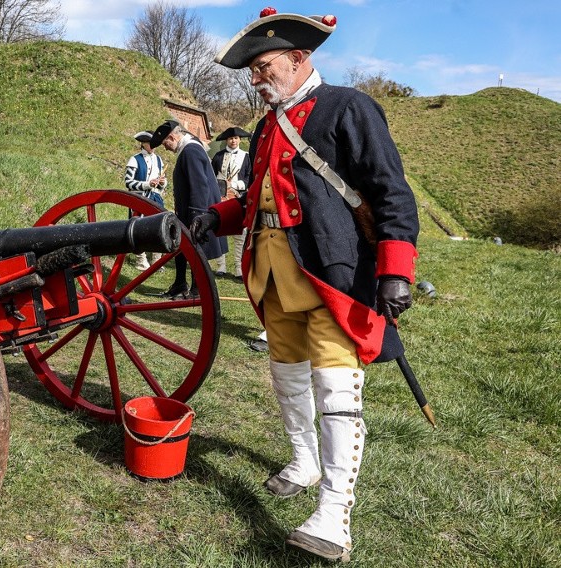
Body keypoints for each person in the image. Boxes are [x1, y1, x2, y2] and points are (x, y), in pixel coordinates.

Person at [190, 8, 419, 563]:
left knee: (335, 392)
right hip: (272, 275)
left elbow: (391, 191)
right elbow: (255, 200)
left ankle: (335, 512)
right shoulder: (268, 125)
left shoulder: (349, 107)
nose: (254, 78)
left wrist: (395, 268)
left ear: (298, 58)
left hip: (332, 276)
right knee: (288, 377)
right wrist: (214, 217)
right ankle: (303, 459)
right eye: (251, 70)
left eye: (262, 66)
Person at [151, 120, 227, 299]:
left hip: (196, 210)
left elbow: (199, 185)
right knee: (182, 246)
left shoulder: (190, 151)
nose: (167, 148)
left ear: (172, 136)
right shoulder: (190, 149)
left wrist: (197, 215)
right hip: (189, 210)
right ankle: (180, 284)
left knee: (194, 249)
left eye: (166, 143)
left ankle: (197, 288)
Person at [211, 126, 253, 278]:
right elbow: (211, 175)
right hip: (221, 197)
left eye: (235, 138)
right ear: (226, 140)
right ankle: (220, 266)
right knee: (220, 231)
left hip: (238, 197)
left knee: (240, 234)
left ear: (239, 140)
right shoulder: (218, 156)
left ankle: (239, 268)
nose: (233, 141)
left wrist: (234, 185)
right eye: (230, 138)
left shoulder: (247, 157)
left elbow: (249, 178)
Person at [124, 131, 167, 270]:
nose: (153, 146)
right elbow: (128, 182)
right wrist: (147, 184)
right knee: (138, 229)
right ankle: (141, 260)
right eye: (150, 143)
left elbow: (163, 181)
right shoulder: (134, 159)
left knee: (158, 227)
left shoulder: (159, 159)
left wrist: (162, 182)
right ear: (143, 143)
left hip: (155, 197)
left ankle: (156, 260)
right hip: (139, 197)